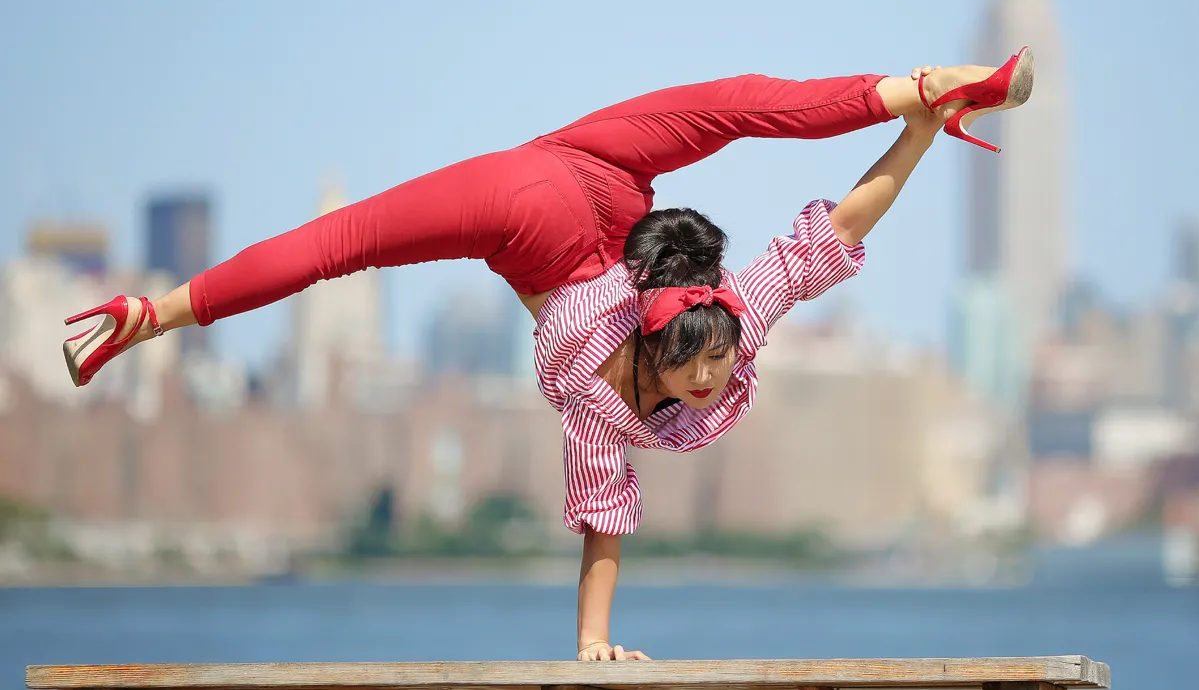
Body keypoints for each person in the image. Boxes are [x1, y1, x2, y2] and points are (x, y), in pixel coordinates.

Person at [62, 48, 1033, 659]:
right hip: (551, 202)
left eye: (712, 371)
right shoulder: (702, 332)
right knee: (730, 104)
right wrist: (916, 136)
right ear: (672, 337)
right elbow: (834, 232)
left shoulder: (665, 366)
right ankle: (932, 86)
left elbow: (603, 535)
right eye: (706, 370)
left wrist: (594, 646)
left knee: (733, 105)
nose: (714, 376)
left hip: (554, 195)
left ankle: (926, 94)